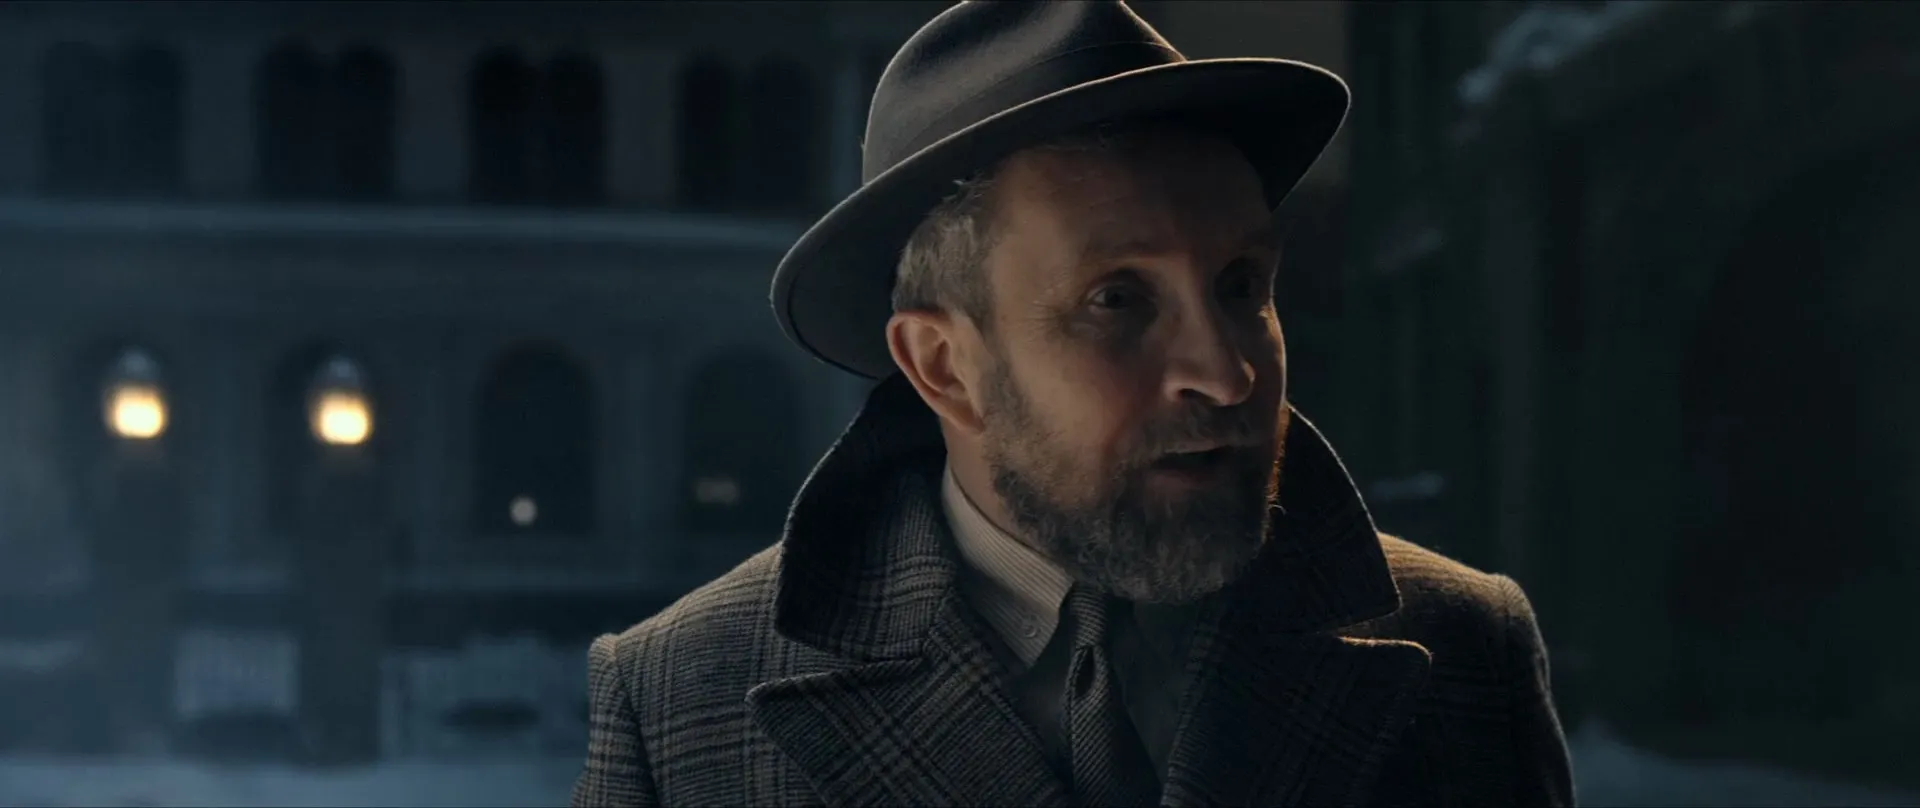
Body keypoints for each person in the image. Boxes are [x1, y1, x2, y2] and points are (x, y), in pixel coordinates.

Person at [575, 2, 1576, 805]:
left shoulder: (1465, 645)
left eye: (1240, 286)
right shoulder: (679, 698)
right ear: (944, 366)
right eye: (1118, 301)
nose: (1227, 375)